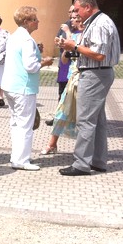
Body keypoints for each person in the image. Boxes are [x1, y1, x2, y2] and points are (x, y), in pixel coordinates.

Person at [55, 0, 120, 176]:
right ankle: (98, 161)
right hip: (97, 72)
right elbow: (93, 51)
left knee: (85, 121)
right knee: (97, 120)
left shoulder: (99, 23)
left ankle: (81, 164)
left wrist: (74, 46)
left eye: (77, 10)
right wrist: (72, 48)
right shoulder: (97, 21)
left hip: (95, 74)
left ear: (88, 7)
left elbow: (99, 54)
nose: (75, 13)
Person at [0, 6, 54, 171]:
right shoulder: (27, 40)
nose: (38, 21)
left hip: (10, 85)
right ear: (26, 22)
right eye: (34, 19)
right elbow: (30, 66)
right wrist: (44, 62)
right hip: (23, 87)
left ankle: (16, 157)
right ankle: (22, 160)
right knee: (25, 125)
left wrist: (37, 53)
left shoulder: (14, 36)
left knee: (16, 123)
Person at [45, 12, 83, 154]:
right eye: (71, 17)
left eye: (75, 18)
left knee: (81, 115)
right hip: (71, 78)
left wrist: (68, 36)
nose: (71, 20)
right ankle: (52, 144)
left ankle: (82, 150)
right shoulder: (72, 36)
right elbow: (65, 60)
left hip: (82, 79)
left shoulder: (85, 35)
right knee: (62, 110)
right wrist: (65, 47)